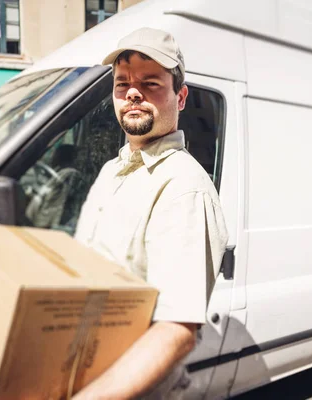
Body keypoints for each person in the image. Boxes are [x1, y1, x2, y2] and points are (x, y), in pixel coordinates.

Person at [73, 27, 228, 399]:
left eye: (151, 82)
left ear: (182, 96)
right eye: (121, 82)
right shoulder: (114, 170)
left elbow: (176, 332)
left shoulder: (183, 186)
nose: (132, 92)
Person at [26, 144, 84, 231]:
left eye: (55, 155)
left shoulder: (69, 175)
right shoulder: (57, 174)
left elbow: (59, 207)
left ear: (61, 157)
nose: (52, 158)